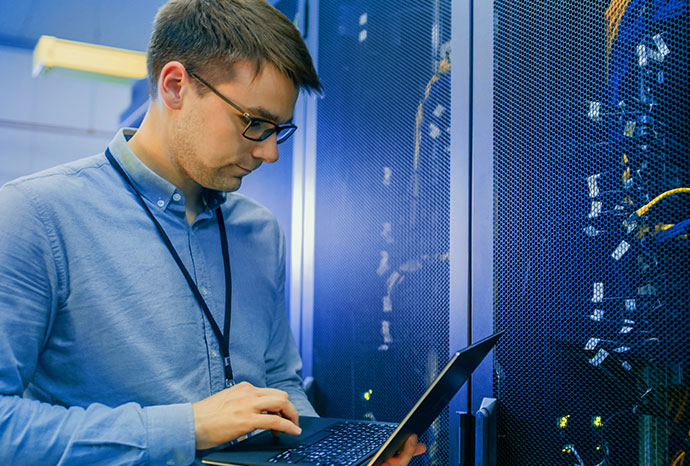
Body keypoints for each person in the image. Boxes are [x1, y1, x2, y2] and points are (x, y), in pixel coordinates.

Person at [0, 0, 426, 464]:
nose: (269, 154)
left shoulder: (259, 232)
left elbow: (280, 382)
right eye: (254, 124)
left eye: (278, 130)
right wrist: (186, 428)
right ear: (176, 86)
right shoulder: (34, 216)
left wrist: (329, 457)